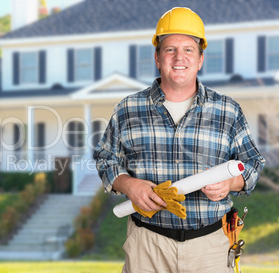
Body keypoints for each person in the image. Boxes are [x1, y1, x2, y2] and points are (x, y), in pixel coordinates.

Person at [93, 7, 266, 273]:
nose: (179, 57)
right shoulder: (128, 109)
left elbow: (253, 162)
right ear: (157, 57)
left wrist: (231, 181)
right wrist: (128, 185)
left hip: (210, 248)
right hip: (146, 246)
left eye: (188, 49)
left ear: (200, 60)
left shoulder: (227, 110)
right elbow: (106, 159)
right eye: (170, 49)